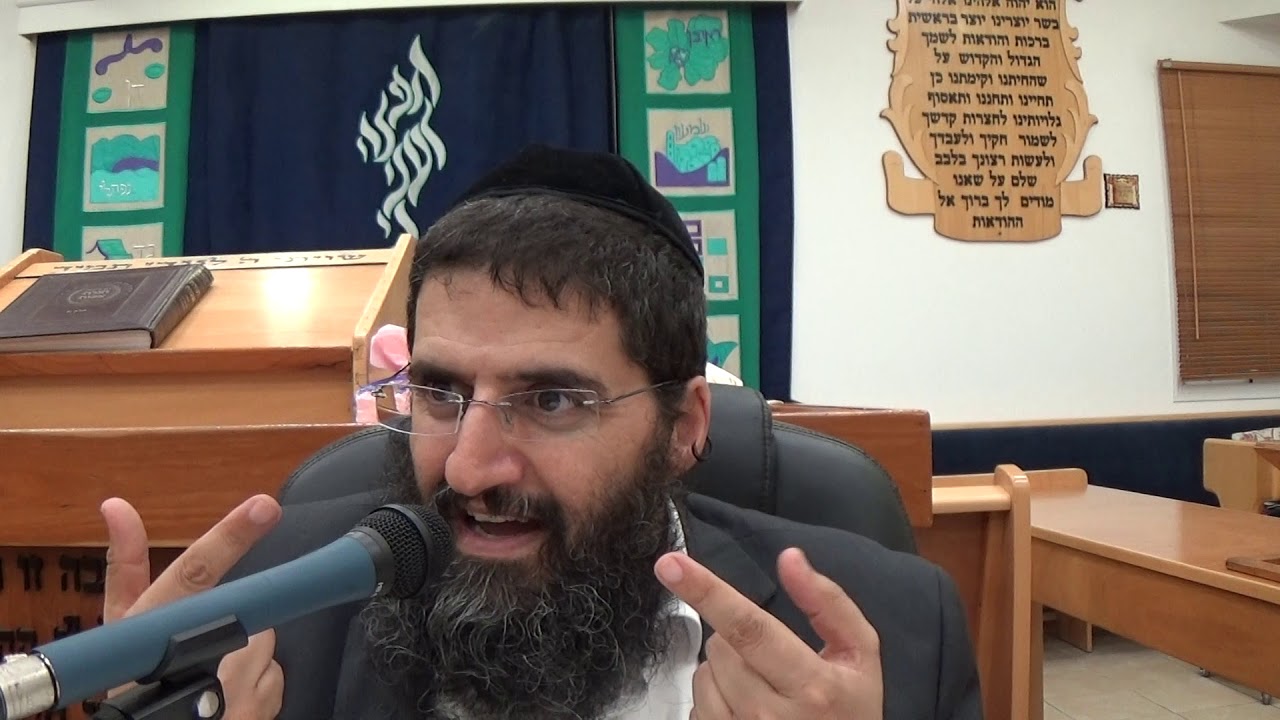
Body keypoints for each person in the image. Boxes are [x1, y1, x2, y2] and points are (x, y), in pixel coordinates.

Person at [100, 145, 983, 719]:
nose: (470, 468)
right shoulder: (267, 611)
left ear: (683, 426)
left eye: (553, 401)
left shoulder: (894, 635)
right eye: (441, 393)